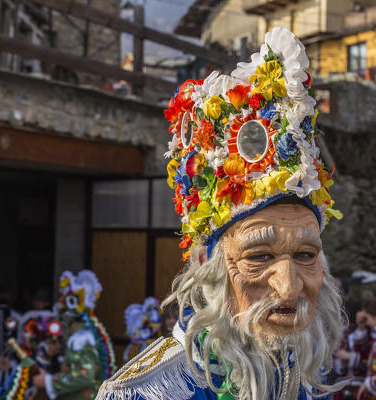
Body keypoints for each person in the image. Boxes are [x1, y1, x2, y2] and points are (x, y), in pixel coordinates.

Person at [96, 26, 345, 400]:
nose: (290, 287)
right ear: (206, 265)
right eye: (259, 256)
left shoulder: (304, 380)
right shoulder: (148, 394)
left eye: (305, 255)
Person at [32, 270, 116, 400]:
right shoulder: (84, 336)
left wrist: (49, 382)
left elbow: (84, 375)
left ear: (70, 319)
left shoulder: (80, 339)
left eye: (63, 318)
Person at [333, 304, 371, 400]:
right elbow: (334, 363)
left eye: (345, 322)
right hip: (341, 387)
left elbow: (371, 362)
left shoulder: (369, 336)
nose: (345, 325)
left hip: (361, 387)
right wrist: (341, 360)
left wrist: (352, 357)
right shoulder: (344, 338)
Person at [123, 297, 162, 363]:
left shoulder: (154, 314)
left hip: (150, 345)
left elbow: (155, 326)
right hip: (140, 347)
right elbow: (134, 333)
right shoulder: (142, 316)